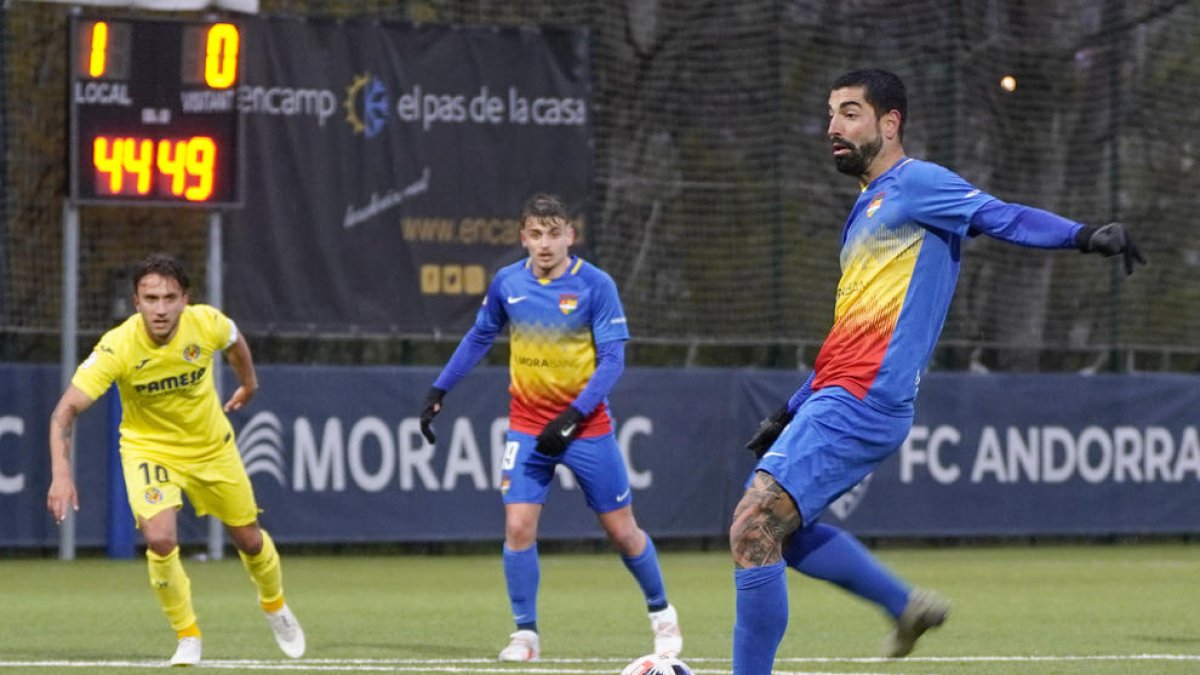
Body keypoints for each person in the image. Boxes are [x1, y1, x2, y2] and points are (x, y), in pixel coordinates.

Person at [729, 68, 1145, 674]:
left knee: (753, 528)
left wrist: (1083, 236)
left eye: (849, 113)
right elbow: (853, 330)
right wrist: (791, 407)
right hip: (833, 394)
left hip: (863, 399)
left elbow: (1002, 217)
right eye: (830, 114)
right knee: (780, 534)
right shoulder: (866, 207)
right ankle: (904, 606)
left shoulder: (918, 184)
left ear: (889, 123)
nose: (832, 127)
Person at [419, 193, 683, 661]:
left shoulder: (595, 285)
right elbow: (481, 335)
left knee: (622, 532)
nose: (544, 244)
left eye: (554, 233)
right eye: (535, 234)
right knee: (518, 526)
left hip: (585, 428)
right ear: (523, 237)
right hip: (527, 427)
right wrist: (440, 389)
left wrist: (572, 416)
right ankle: (526, 635)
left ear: (570, 236)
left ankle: (662, 615)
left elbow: (613, 361)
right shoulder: (507, 283)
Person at [46, 253, 306, 667]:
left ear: (186, 299)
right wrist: (61, 474)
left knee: (250, 539)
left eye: (169, 297)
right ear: (136, 302)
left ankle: (274, 605)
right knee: (162, 538)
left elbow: (235, 341)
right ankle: (187, 634)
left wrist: (249, 384)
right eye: (151, 298)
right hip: (149, 449)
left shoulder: (206, 323)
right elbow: (65, 411)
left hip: (211, 447)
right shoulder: (118, 346)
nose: (161, 309)